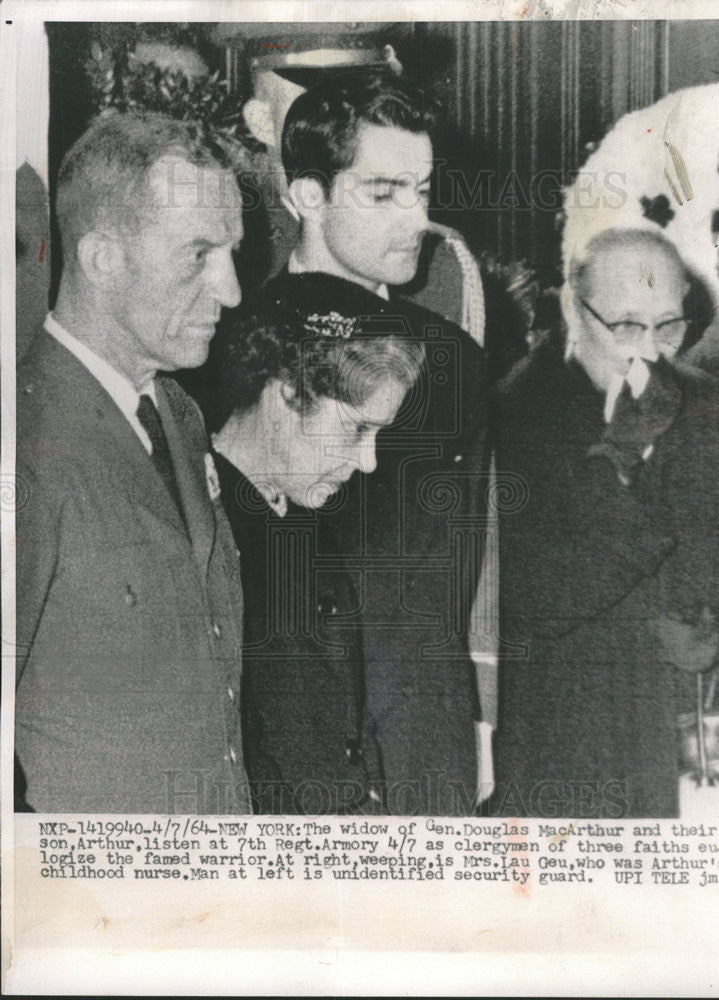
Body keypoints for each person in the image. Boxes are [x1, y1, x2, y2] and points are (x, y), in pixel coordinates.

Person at [257, 71, 489, 814]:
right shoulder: (225, 353)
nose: (414, 218)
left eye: (422, 191)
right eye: (383, 193)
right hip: (288, 771)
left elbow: (463, 569)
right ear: (307, 196)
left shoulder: (454, 362)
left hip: (429, 761)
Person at [15, 110, 250, 814]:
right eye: (198, 255)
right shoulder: (24, 439)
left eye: (231, 251)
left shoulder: (177, 413)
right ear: (102, 259)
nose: (232, 291)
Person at [492, 227, 719, 818]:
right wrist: (626, 448)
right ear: (570, 310)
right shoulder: (513, 413)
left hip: (688, 745)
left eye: (670, 326)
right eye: (627, 326)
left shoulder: (714, 405)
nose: (652, 353)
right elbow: (536, 596)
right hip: (567, 747)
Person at [211, 310, 424, 814]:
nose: (369, 461)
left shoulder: (308, 519)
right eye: (356, 430)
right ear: (285, 392)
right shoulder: (199, 521)